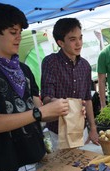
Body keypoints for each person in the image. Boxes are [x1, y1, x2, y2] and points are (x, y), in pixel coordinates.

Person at [0, 2, 71, 171]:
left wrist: (58, 110)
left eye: (20, 31)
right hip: (6, 166)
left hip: (37, 156)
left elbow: (38, 113)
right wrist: (40, 112)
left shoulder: (24, 70)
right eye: (12, 32)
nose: (19, 37)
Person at [41, 18, 99, 148]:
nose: (79, 43)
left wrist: (93, 128)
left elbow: (87, 99)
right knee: (63, 167)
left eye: (80, 38)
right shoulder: (50, 62)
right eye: (73, 39)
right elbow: (46, 99)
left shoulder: (85, 66)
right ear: (60, 42)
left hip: (80, 128)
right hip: (58, 131)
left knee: (84, 166)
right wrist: (67, 105)